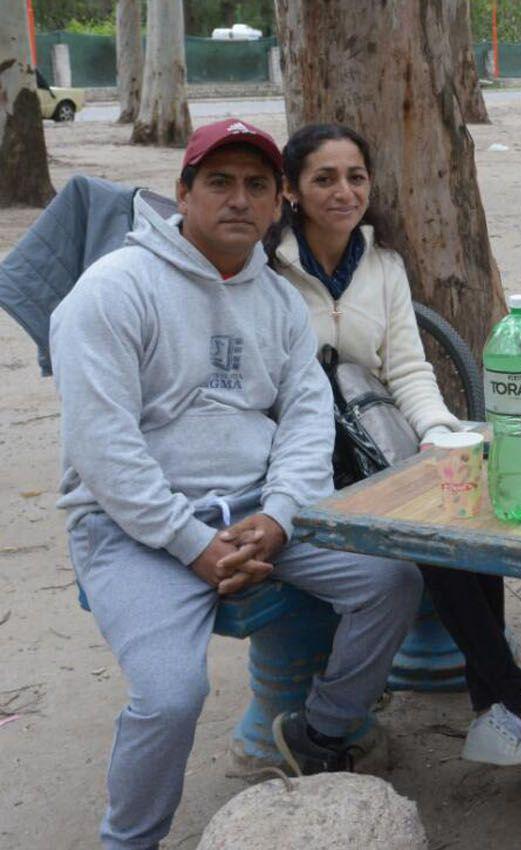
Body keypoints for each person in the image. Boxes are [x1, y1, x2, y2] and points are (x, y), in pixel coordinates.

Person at [49, 118, 424, 850]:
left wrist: (281, 516)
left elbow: (308, 422)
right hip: (134, 530)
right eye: (218, 182)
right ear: (181, 193)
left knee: (393, 580)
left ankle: (321, 730)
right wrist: (192, 543)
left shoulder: (278, 300)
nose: (238, 200)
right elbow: (103, 448)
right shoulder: (113, 290)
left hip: (257, 515)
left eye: (256, 185)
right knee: (170, 696)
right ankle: (129, 840)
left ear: (277, 202)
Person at [265, 123, 521, 767]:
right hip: (303, 463)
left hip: (375, 446)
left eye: (356, 177)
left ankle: (498, 707)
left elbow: (408, 369)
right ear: (291, 190)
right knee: (433, 534)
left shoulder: (384, 263)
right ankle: (510, 696)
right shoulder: (266, 269)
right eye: (324, 178)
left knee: (467, 502)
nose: (344, 192)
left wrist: (437, 435)